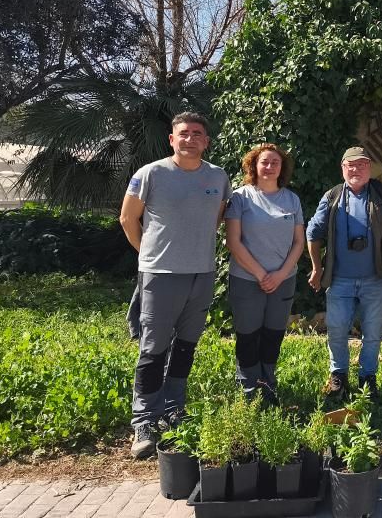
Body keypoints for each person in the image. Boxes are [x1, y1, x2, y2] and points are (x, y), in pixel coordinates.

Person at [119, 112, 231, 459]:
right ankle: (145, 421)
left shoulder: (218, 176)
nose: (190, 139)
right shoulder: (150, 173)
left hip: (201, 274)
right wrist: (149, 255)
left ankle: (174, 409)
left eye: (197, 133)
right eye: (183, 133)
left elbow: (217, 218)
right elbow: (127, 218)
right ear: (172, 139)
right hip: (161, 275)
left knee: (186, 345)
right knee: (153, 348)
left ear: (206, 141)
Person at [306, 146, 382, 400]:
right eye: (351, 165)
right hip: (340, 280)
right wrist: (316, 267)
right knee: (336, 329)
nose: (356, 170)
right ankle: (339, 377)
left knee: (373, 332)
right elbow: (313, 233)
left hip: (375, 279)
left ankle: (368, 378)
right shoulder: (332, 196)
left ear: (369, 167)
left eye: (361, 165)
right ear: (343, 169)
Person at [224, 143, 305, 405]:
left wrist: (280, 275)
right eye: (264, 162)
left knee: (273, 333)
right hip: (247, 279)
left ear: (282, 168)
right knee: (248, 334)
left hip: (283, 280)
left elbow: (299, 243)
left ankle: (268, 384)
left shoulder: (292, 199)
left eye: (275, 163)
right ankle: (248, 388)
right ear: (254, 166)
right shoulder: (241, 197)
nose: (269, 167)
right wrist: (261, 274)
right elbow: (233, 242)